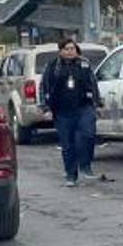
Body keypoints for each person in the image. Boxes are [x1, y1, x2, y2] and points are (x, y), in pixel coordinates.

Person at [42, 39, 101, 187]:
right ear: (60, 51)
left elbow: (93, 84)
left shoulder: (84, 64)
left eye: (72, 49)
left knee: (87, 135)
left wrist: (97, 103)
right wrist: (46, 108)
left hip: (84, 107)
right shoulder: (53, 66)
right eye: (66, 49)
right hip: (62, 111)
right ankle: (71, 174)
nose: (70, 52)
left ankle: (85, 164)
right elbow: (45, 86)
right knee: (67, 144)